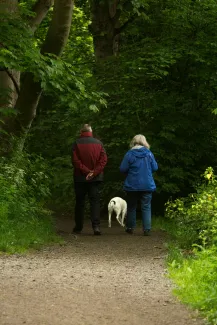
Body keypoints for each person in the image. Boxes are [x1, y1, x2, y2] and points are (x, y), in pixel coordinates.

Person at [71, 124, 107, 235]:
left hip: (80, 178)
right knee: (95, 202)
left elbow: (75, 161)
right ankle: (96, 227)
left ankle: (78, 227)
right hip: (95, 178)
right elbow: (104, 160)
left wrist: (87, 172)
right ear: (91, 131)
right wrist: (93, 172)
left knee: (80, 202)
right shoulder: (99, 143)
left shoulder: (76, 143)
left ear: (81, 132)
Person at [119, 134, 158, 236]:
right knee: (146, 207)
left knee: (132, 206)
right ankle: (147, 229)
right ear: (144, 142)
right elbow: (155, 168)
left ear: (134, 142)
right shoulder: (149, 154)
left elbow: (122, 169)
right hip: (147, 184)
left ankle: (130, 228)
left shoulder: (129, 154)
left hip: (132, 185)